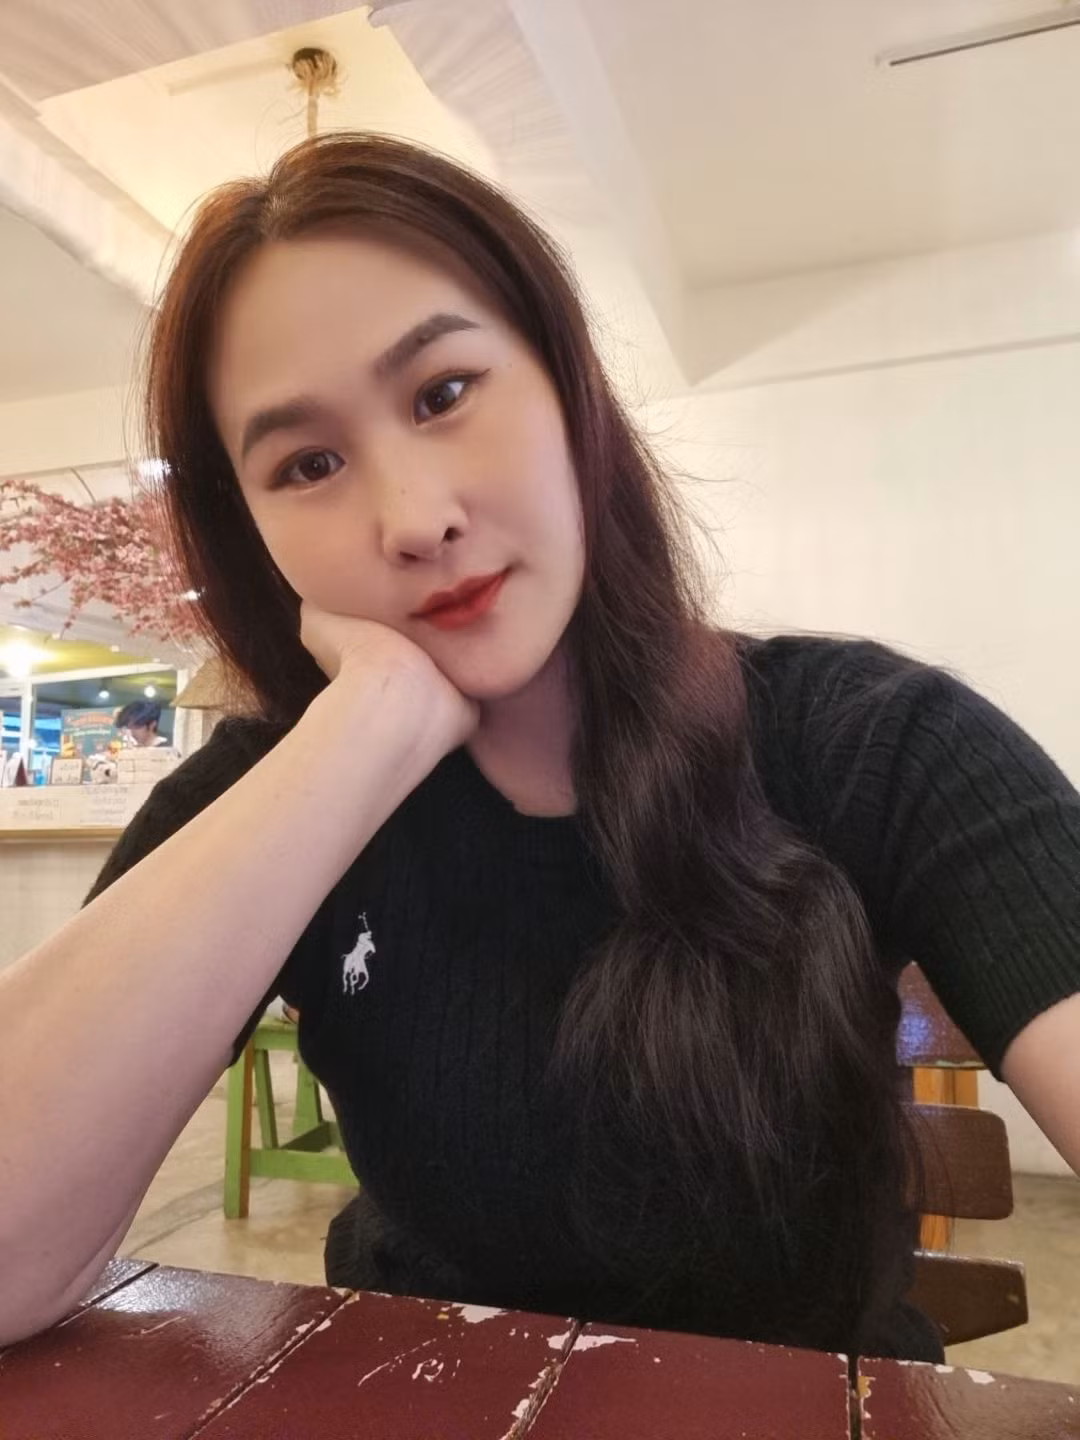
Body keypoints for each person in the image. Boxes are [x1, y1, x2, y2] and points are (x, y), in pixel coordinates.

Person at [2, 133, 1078, 1358]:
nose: (415, 520)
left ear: (572, 393)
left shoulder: (873, 740)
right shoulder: (279, 787)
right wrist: (368, 726)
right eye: (308, 464)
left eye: (443, 393)